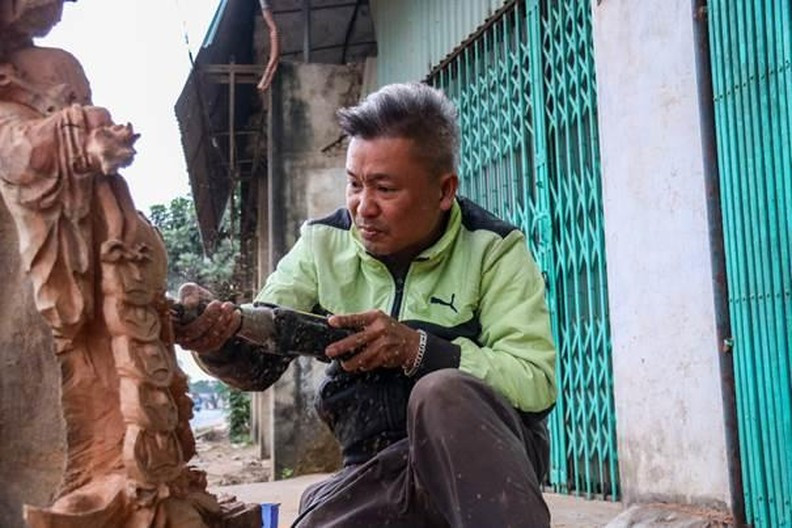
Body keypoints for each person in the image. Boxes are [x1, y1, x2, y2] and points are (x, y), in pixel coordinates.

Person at [174, 82, 557, 528]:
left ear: (444, 190)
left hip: (480, 471)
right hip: (378, 473)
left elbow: (535, 382)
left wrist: (419, 350)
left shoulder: (494, 248)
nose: (363, 207)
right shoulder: (321, 244)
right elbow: (258, 363)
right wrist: (220, 338)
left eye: (384, 189)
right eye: (354, 184)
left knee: (442, 393)